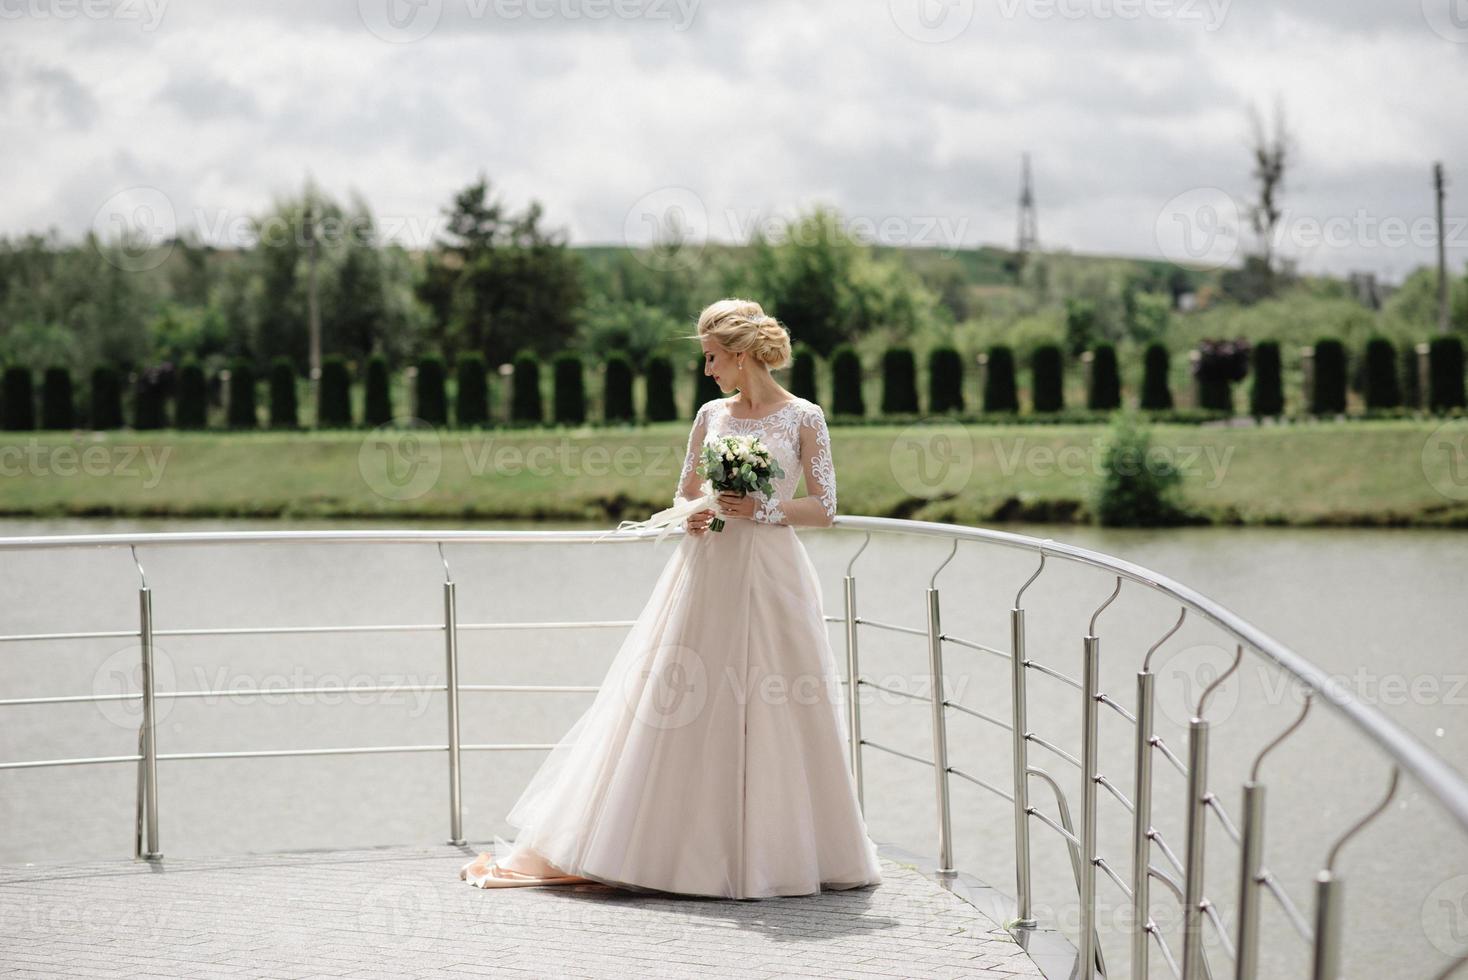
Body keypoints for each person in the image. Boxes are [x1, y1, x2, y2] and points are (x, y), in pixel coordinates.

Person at [459, 298, 882, 899]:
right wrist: (696, 513)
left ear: (739, 355)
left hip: (774, 575)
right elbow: (686, 490)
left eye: (712, 358)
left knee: (781, 700)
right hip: (708, 570)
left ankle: (788, 853)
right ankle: (669, 852)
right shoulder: (711, 415)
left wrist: (760, 507)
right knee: (686, 697)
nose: (708, 370)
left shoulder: (804, 417)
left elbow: (825, 508)